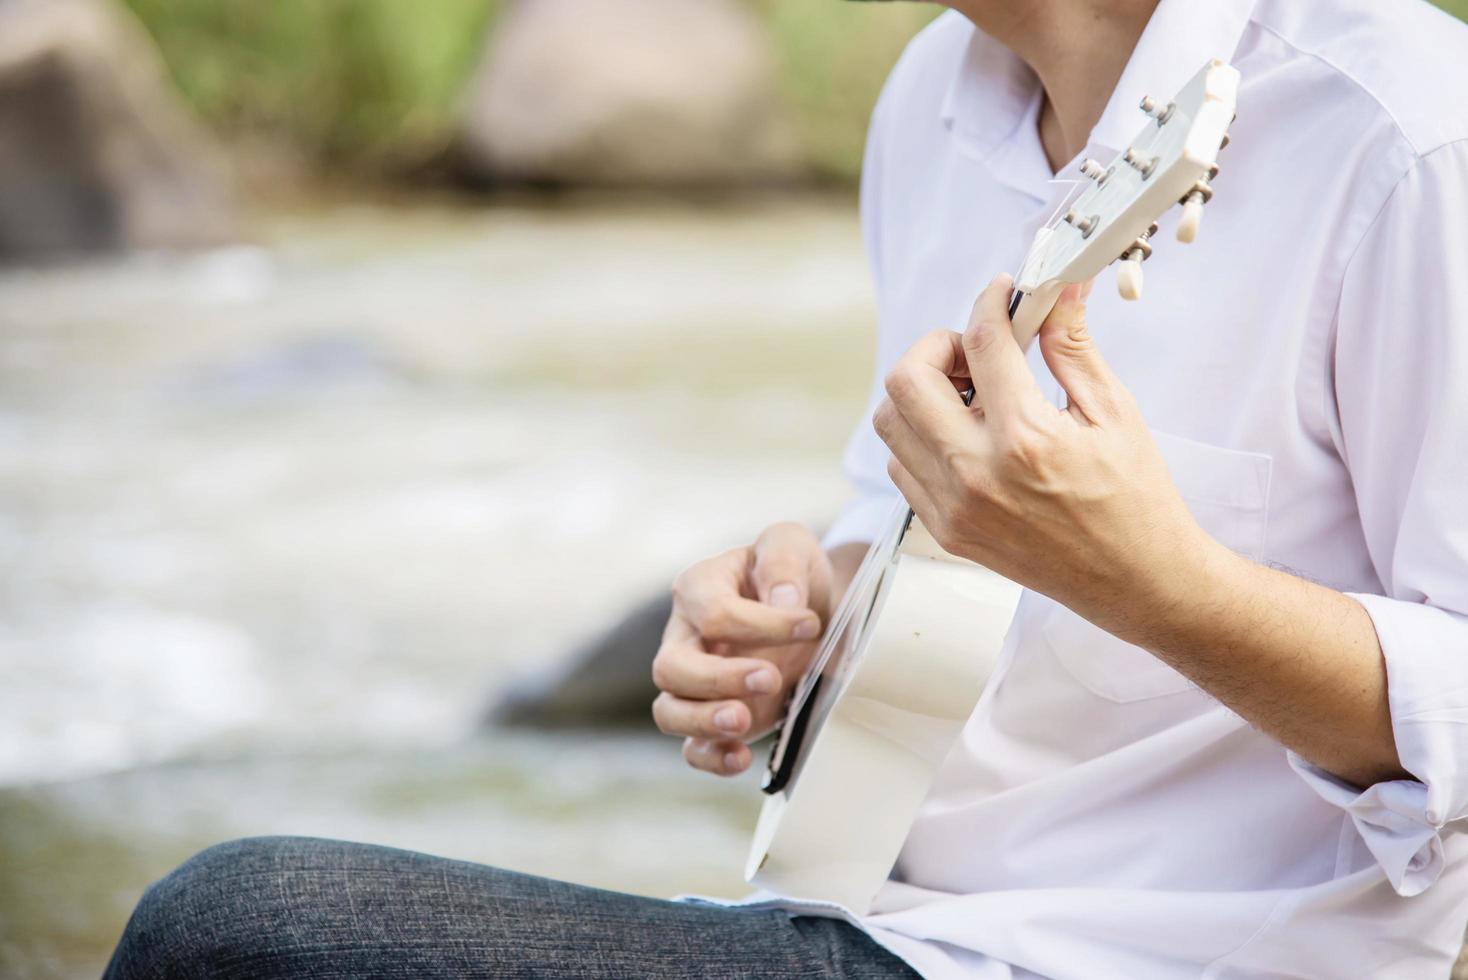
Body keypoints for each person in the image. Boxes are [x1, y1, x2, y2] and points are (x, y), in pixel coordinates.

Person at [104, 0, 1468, 977]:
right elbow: (909, 533)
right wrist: (800, 613)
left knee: (236, 928)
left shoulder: (1408, 139)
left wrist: (1160, 589)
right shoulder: (931, 98)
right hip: (850, 919)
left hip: (1156, 955)